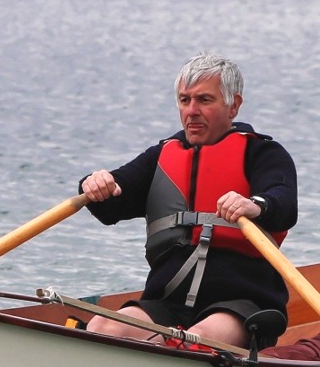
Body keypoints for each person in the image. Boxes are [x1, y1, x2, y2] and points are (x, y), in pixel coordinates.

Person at [79, 52, 298, 350]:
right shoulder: (161, 156)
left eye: (204, 100)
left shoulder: (263, 154)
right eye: (185, 100)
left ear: (233, 105)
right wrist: (95, 184)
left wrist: (255, 205)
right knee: (101, 328)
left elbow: (283, 204)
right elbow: (112, 202)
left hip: (240, 306)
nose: (192, 111)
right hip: (167, 302)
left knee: (198, 341)